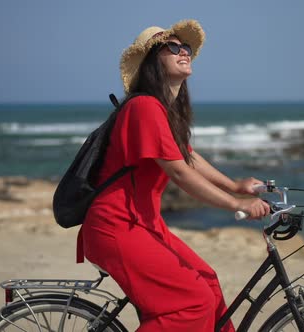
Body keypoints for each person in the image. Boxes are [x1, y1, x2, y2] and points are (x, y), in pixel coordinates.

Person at [77, 19, 271, 332]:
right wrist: (237, 203)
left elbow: (188, 156)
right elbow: (179, 172)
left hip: (145, 225)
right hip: (117, 227)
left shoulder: (163, 112)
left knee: (207, 283)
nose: (184, 52)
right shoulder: (144, 107)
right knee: (191, 304)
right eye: (173, 47)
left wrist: (235, 184)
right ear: (153, 61)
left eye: (187, 48)